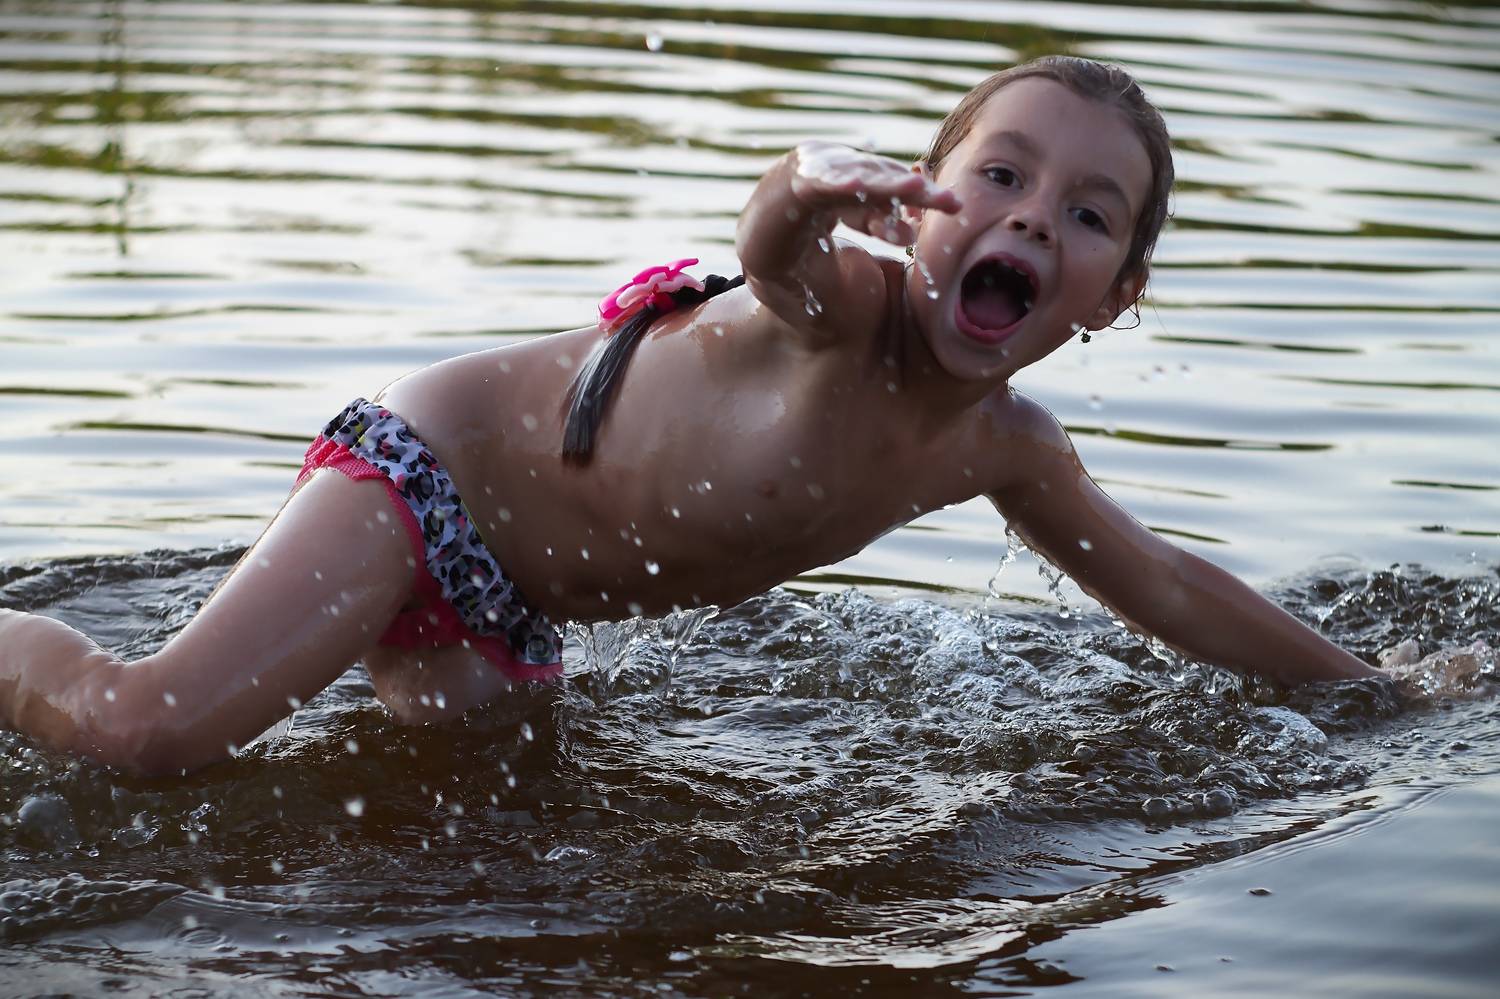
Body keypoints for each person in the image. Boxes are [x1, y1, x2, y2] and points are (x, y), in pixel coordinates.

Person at [0, 56, 1388, 778]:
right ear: (916, 207)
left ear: (1117, 294)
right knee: (148, 734)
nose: (1032, 218)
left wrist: (1375, 690)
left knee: (467, 853)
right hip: (427, 477)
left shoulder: (1005, 447)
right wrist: (802, 183)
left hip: (504, 601)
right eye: (1002, 176)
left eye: (1087, 215)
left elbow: (1167, 585)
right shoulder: (844, 302)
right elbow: (771, 249)